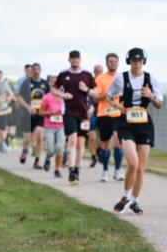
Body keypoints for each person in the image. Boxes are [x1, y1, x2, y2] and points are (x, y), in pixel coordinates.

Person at [108, 48, 164, 214]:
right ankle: (125, 196)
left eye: (139, 60)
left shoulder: (150, 78)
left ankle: (135, 201)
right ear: (129, 61)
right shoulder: (121, 77)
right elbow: (109, 96)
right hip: (126, 123)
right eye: (134, 60)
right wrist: (119, 107)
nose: (137, 63)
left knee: (141, 167)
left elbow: (159, 104)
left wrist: (151, 96)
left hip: (144, 123)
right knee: (133, 163)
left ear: (143, 61)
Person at [54, 50, 96, 184]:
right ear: (69, 60)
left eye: (77, 58)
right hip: (69, 112)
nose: (75, 60)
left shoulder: (87, 75)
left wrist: (86, 90)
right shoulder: (63, 74)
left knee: (81, 143)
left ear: (80, 59)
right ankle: (71, 170)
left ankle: (77, 169)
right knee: (72, 140)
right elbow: (54, 89)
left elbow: (96, 92)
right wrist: (63, 95)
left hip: (83, 114)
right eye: (72, 58)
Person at [91, 53, 125, 182]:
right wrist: (107, 94)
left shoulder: (122, 77)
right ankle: (105, 171)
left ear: (118, 63)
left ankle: (118, 171)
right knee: (105, 144)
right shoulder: (100, 78)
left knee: (118, 140)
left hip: (118, 114)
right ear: (107, 63)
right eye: (110, 61)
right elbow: (96, 97)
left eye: (115, 61)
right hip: (104, 114)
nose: (113, 63)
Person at [17, 63, 50, 169]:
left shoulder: (45, 83)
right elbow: (19, 97)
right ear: (31, 71)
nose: (36, 71)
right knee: (28, 137)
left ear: (41, 70)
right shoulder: (26, 83)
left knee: (40, 137)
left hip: (40, 114)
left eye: (37, 69)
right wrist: (27, 107)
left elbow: (49, 98)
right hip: (28, 114)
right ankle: (25, 150)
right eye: (34, 69)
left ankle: (37, 161)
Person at [38, 75, 66, 179]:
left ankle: (57, 169)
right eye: (53, 82)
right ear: (49, 83)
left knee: (60, 148)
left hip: (61, 126)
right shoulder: (47, 97)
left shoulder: (64, 97)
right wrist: (49, 113)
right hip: (49, 126)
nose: (55, 84)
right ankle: (48, 158)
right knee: (51, 150)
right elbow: (40, 112)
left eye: (57, 82)